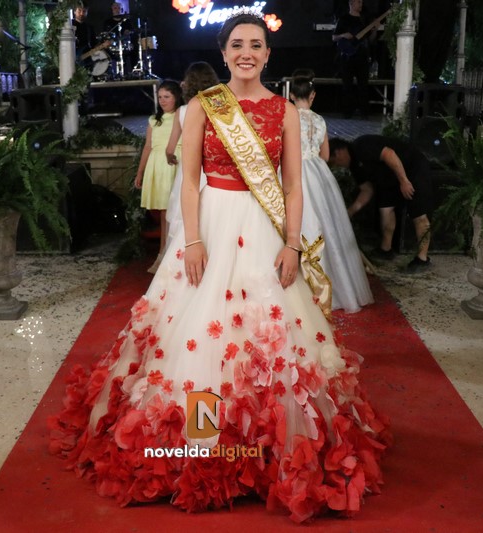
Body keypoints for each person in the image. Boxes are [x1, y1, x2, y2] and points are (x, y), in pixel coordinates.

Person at [48, 12, 389, 523]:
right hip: (209, 225)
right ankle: (202, 446)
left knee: (267, 334)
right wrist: (191, 240)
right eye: (237, 44)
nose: (247, 52)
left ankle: (265, 450)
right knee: (200, 336)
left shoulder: (284, 112)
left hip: (264, 230)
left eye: (256, 44)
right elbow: (188, 182)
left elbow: (293, 187)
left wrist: (293, 245)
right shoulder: (202, 106)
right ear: (224, 52)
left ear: (268, 54)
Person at [288, 73, 373, 312]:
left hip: (294, 171)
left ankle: (301, 287)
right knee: (326, 227)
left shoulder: (288, 117)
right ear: (313, 95)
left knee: (296, 223)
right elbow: (325, 156)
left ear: (291, 95)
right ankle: (330, 286)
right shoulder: (320, 120)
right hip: (318, 174)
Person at [330, 135, 434, 273]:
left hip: (411, 168)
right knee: (385, 211)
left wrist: (404, 181)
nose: (337, 166)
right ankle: (386, 249)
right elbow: (367, 190)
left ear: (338, 152)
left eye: (334, 162)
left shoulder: (361, 146)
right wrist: (350, 211)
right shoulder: (355, 167)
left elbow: (389, 154)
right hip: (389, 179)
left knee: (419, 214)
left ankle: (422, 258)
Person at [162, 61, 220, 259]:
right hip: (212, 171)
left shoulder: (183, 111)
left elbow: (170, 148)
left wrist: (171, 158)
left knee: (184, 216)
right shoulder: (219, 108)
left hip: (189, 171)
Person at [135, 80, 183, 273]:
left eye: (167, 97)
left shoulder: (181, 116)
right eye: (160, 97)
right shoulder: (154, 120)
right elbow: (148, 146)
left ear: (176, 97)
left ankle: (170, 253)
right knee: (164, 211)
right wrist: (140, 171)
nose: (162, 101)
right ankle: (163, 253)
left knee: (174, 210)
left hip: (174, 163)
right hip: (158, 165)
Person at [332, 0, 371, 118]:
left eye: (361, 2)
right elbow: (334, 37)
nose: (361, 4)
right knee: (347, 85)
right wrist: (344, 35)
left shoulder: (364, 19)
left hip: (362, 56)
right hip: (347, 56)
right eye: (358, 2)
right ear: (351, 3)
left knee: (363, 84)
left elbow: (370, 39)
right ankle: (348, 112)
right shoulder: (343, 19)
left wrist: (374, 30)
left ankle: (364, 112)